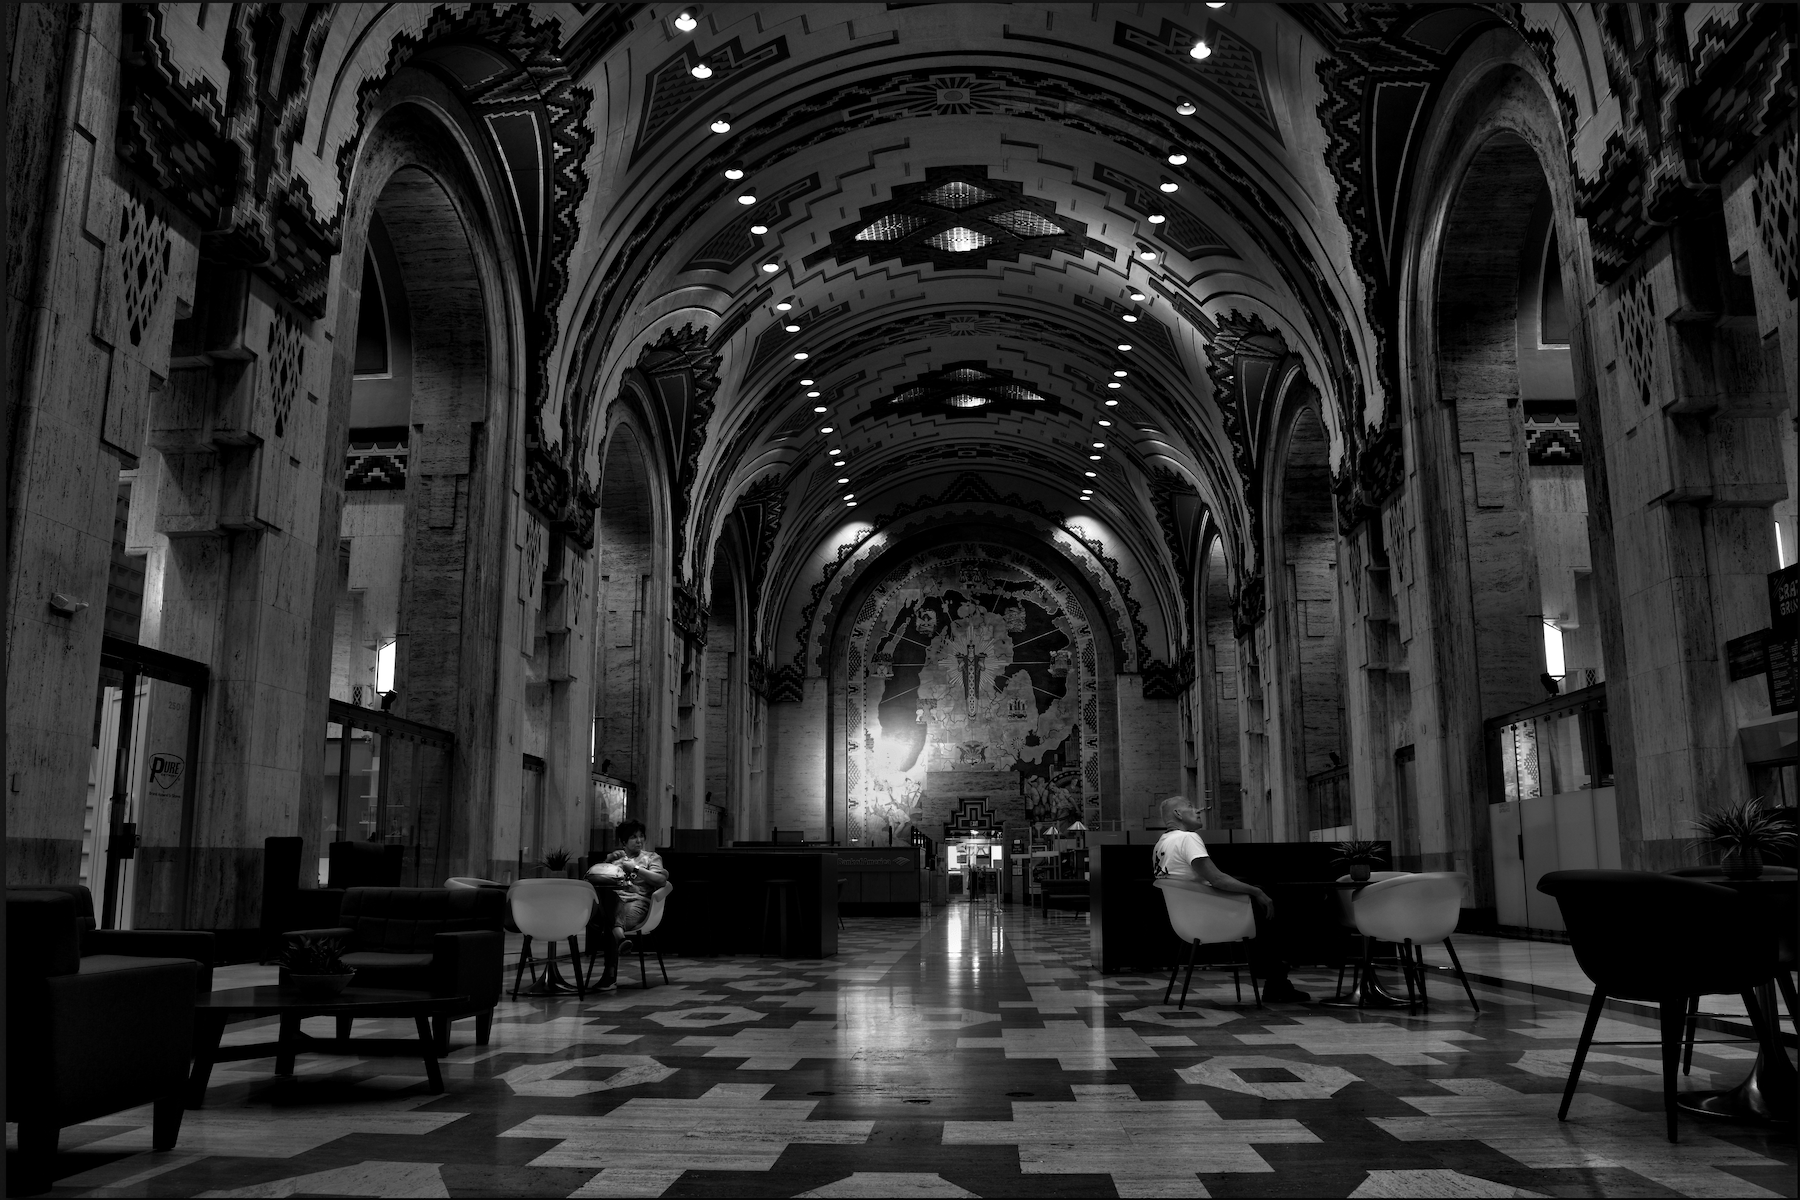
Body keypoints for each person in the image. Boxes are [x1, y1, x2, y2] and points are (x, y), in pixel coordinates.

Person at [1152, 794, 1310, 1003]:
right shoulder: (1187, 838)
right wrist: (1256, 892)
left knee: (1262, 902)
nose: (1198, 810)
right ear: (1178, 814)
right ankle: (1277, 981)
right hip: (1212, 918)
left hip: (1188, 920)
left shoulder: (1160, 845)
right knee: (1273, 903)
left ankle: (1275, 976)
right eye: (1191, 806)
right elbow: (1217, 879)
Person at [584, 819, 669, 991]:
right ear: (623, 842)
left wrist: (635, 869)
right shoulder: (616, 860)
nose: (639, 840)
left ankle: (609, 976)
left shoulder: (652, 857)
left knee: (609, 918)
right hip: (612, 904)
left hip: (637, 904)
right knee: (608, 895)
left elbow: (661, 880)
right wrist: (607, 862)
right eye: (633, 837)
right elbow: (594, 880)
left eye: (641, 837)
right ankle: (620, 936)